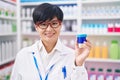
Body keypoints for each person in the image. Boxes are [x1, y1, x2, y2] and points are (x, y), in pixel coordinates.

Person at [10, 3, 91, 80]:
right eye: (43, 24)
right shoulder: (23, 56)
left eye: (54, 23)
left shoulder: (72, 57)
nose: (49, 29)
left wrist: (79, 64)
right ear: (36, 27)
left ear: (60, 25)